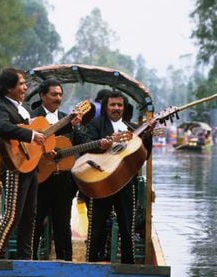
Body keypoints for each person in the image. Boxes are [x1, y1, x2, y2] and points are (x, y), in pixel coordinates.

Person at [79, 90, 155, 264]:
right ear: (106, 107)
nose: (116, 108)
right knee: (97, 227)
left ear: (124, 108)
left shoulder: (133, 128)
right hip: (101, 182)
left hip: (126, 183)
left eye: (119, 105)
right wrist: (102, 146)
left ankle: (128, 265)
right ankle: (91, 263)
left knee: (127, 228)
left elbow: (145, 155)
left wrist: (148, 136)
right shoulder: (96, 125)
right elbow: (85, 148)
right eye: (112, 105)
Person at [0, 67, 46, 260]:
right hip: (14, 167)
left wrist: (70, 123)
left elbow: (39, 133)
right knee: (12, 216)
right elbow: (1, 127)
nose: (25, 87)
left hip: (30, 166)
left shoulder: (26, 108)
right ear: (8, 88)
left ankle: (25, 259)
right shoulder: (0, 108)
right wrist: (30, 135)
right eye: (21, 83)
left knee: (30, 216)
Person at [31, 79, 82, 261]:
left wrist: (79, 128)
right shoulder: (32, 117)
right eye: (54, 94)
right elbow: (25, 147)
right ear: (42, 95)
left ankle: (66, 263)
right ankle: (29, 262)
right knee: (35, 224)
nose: (58, 98)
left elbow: (79, 143)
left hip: (63, 182)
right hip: (40, 179)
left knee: (62, 226)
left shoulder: (68, 118)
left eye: (60, 94)